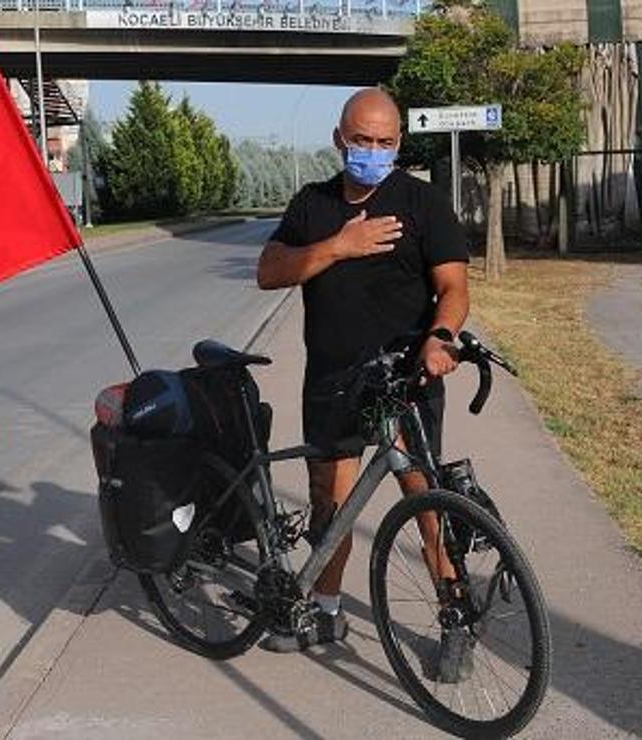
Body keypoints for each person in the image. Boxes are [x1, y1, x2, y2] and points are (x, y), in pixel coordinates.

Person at [254, 87, 471, 678]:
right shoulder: (312, 205)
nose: (372, 152)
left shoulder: (423, 203)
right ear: (339, 140)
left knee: (427, 505)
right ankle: (326, 612)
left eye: (384, 142)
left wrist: (441, 339)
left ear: (398, 143)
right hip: (331, 381)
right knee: (332, 506)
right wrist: (337, 246)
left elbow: (453, 288)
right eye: (361, 141)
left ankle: (454, 621)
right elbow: (269, 271)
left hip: (406, 378)